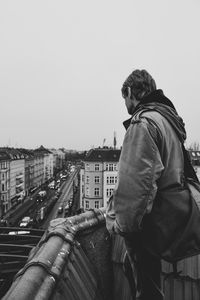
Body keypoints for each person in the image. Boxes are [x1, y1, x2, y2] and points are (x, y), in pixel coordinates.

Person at [106, 69, 188, 300]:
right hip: (166, 217)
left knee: (148, 291)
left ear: (130, 92)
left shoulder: (143, 123)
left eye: (124, 98)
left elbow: (136, 188)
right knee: (137, 275)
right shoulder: (167, 120)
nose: (125, 104)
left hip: (146, 226)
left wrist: (121, 227)